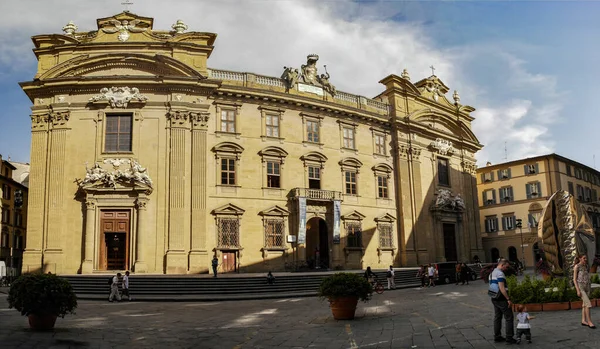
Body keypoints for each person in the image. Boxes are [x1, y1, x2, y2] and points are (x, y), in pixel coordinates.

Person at [490, 260, 515, 344]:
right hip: (501, 298)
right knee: (509, 317)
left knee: (497, 317)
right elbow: (502, 288)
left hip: (493, 297)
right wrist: (508, 299)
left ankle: (497, 336)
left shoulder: (492, 273)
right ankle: (509, 338)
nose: (506, 269)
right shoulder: (500, 273)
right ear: (502, 265)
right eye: (506, 267)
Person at [574, 254, 595, 328]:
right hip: (581, 287)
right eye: (584, 258)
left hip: (587, 286)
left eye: (586, 258)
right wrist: (578, 290)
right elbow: (574, 279)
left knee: (584, 304)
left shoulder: (586, 266)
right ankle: (589, 321)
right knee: (588, 304)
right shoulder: (577, 266)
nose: (585, 259)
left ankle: (583, 320)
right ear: (580, 259)